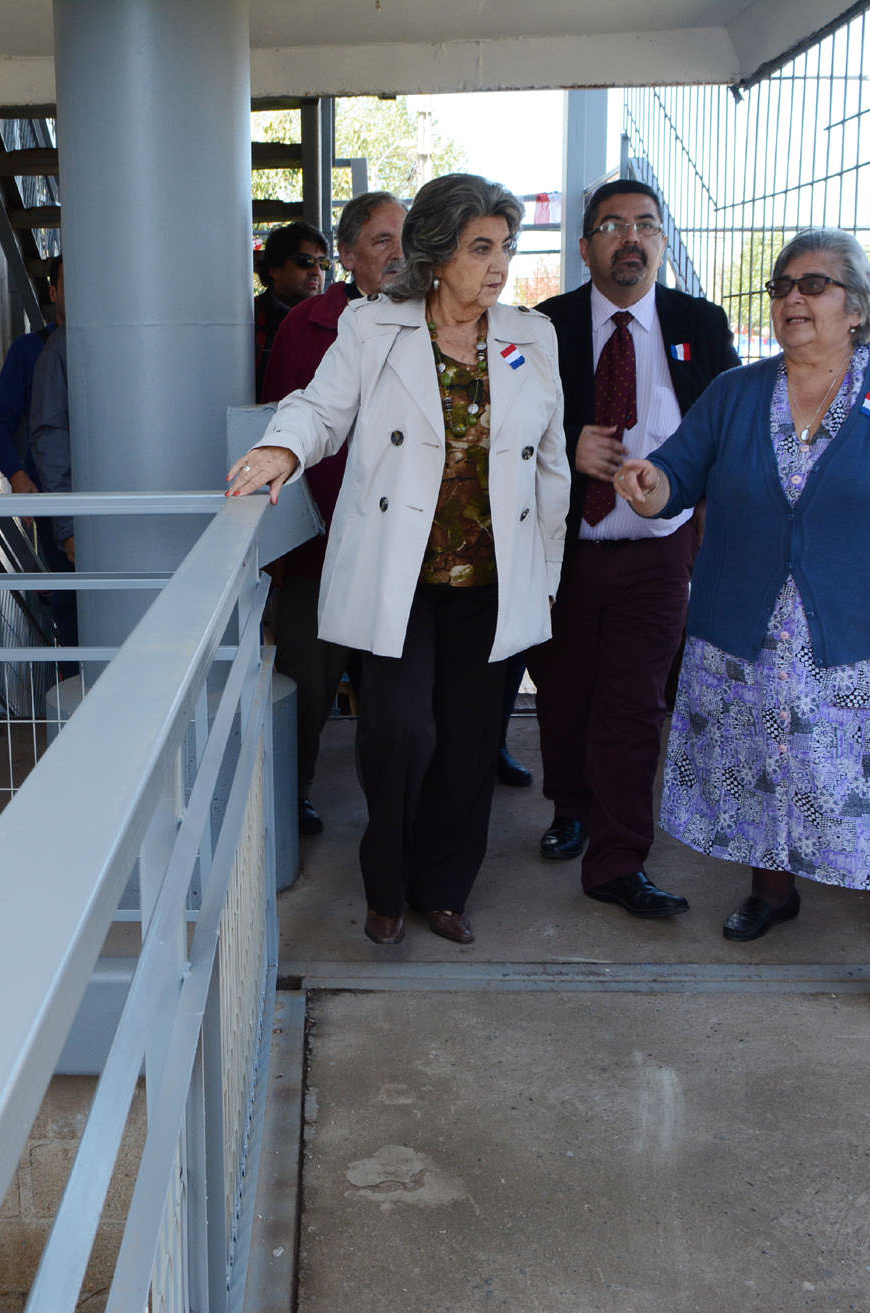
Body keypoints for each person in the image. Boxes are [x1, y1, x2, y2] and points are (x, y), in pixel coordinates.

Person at [611, 227, 870, 1004]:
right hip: (749, 626)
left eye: (812, 284)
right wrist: (646, 483)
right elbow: (675, 477)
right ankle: (772, 893)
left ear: (854, 306)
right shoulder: (737, 392)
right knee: (763, 767)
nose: (791, 297)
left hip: (867, 636)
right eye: (781, 285)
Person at [227, 174, 572, 947]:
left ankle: (443, 889)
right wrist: (282, 445)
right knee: (398, 733)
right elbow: (320, 408)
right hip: (401, 577)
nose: (498, 265)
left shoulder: (530, 337)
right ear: (436, 255)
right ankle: (384, 886)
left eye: (505, 248)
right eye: (480, 248)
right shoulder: (373, 328)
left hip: (490, 578)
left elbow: (549, 465)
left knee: (469, 744)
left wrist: (542, 575)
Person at [523, 181, 741, 920]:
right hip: (562, 547)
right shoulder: (540, 327)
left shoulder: (697, 324)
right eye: (612, 225)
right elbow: (506, 428)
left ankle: (618, 859)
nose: (631, 238)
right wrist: (560, 445)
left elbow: (728, 430)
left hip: (657, 547)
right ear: (584, 246)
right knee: (564, 690)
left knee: (636, 703)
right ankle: (569, 807)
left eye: (646, 224)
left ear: (662, 242)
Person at [259, 191, 406, 837]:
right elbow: (281, 431)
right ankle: (290, 795)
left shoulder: (428, 318)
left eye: (406, 238)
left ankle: (397, 812)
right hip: (319, 548)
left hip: (402, 550)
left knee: (397, 699)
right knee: (307, 689)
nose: (398, 253)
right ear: (345, 255)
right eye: (381, 241)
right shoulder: (305, 326)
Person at [26, 264, 79, 647]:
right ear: (54, 291)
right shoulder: (55, 350)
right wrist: (68, 527)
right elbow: (48, 436)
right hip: (83, 521)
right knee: (77, 615)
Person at [0, 258, 62, 494]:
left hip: (107, 494)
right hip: (49, 494)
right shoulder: (28, 350)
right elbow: (0, 423)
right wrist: (17, 475)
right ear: (53, 292)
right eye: (71, 284)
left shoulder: (112, 354)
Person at [254, 221, 331, 397]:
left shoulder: (337, 320)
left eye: (323, 263)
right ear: (274, 269)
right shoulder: (250, 322)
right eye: (305, 261)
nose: (316, 270)